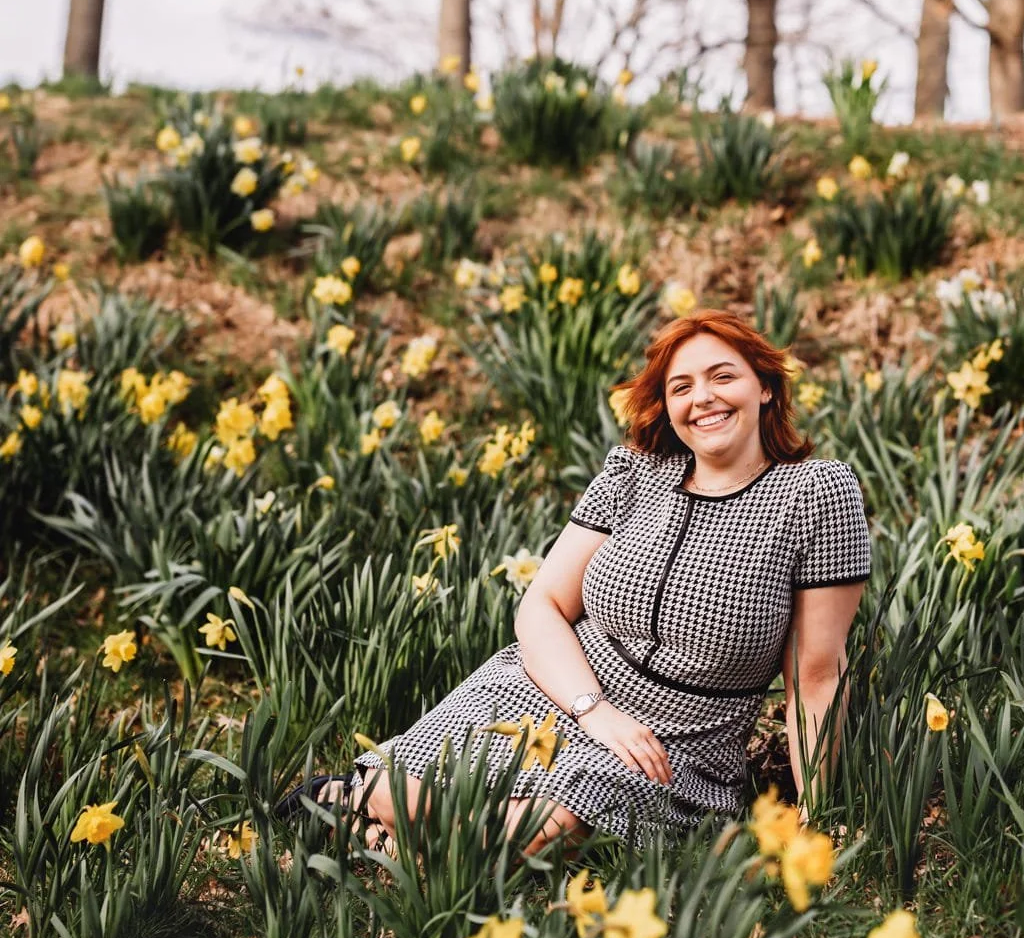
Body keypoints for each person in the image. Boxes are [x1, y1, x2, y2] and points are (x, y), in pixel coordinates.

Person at [283, 308, 870, 852]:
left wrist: (818, 820)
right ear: (665, 407)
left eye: (723, 376)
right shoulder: (635, 474)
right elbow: (541, 605)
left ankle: (377, 824)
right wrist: (594, 711)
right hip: (553, 686)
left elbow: (816, 673)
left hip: (676, 740)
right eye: (681, 387)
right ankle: (388, 815)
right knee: (403, 787)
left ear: (764, 386)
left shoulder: (816, 493)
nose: (703, 398)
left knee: (538, 829)